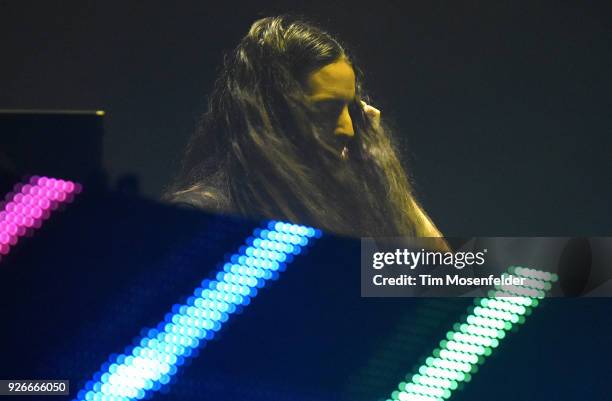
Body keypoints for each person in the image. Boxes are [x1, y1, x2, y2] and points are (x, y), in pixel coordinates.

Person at [165, 15, 444, 239]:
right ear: (270, 112)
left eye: (351, 111)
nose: (348, 129)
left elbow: (453, 279)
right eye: (326, 110)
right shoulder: (203, 215)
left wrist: (382, 171)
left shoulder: (339, 210)